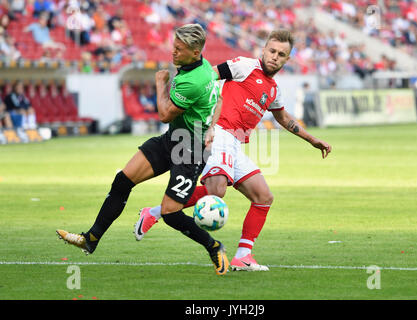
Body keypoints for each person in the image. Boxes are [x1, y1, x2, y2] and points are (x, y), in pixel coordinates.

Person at [134, 29, 332, 271]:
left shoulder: (273, 90)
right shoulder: (244, 66)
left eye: (281, 54)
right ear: (263, 49)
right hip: (219, 133)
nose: (275, 57)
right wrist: (204, 117)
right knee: (216, 190)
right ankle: (156, 212)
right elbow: (207, 76)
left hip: (236, 143)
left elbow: (283, 117)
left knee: (263, 197)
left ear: (287, 59)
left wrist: (312, 140)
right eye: (272, 51)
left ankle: (243, 256)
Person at [56, 23, 230, 276]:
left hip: (190, 151)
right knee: (123, 180)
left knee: (170, 214)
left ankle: (214, 246)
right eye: (174, 46)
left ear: (195, 52)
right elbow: (219, 100)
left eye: (179, 49)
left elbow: (164, 114)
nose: (173, 53)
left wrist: (160, 83)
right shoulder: (204, 67)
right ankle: (91, 239)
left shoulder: (193, 81)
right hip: (173, 140)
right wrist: (211, 127)